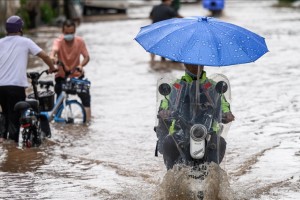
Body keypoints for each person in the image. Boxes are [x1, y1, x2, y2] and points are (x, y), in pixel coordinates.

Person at [155, 64, 235, 169]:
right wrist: (164, 112)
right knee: (169, 142)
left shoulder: (213, 86)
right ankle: (171, 175)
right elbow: (165, 102)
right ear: (185, 64)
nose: (196, 66)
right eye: (191, 63)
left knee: (220, 143)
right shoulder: (176, 86)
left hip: (209, 130)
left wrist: (227, 113)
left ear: (203, 65)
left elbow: (223, 105)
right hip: (181, 130)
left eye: (199, 63)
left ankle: (214, 174)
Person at [0, 15, 56, 143]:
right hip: (16, 87)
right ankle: (12, 150)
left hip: (1, 86)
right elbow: (45, 56)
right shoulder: (25, 42)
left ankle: (2, 139)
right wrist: (52, 67)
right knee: (15, 117)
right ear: (20, 29)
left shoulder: (0, 42)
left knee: (5, 113)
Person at [49, 19, 91, 122]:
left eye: (71, 33)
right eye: (66, 33)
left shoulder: (80, 41)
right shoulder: (58, 42)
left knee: (86, 98)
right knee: (58, 101)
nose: (69, 35)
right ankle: (57, 120)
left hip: (76, 76)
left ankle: (88, 122)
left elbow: (86, 57)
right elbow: (53, 52)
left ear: (75, 31)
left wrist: (81, 65)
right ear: (63, 32)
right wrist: (53, 58)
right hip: (61, 77)